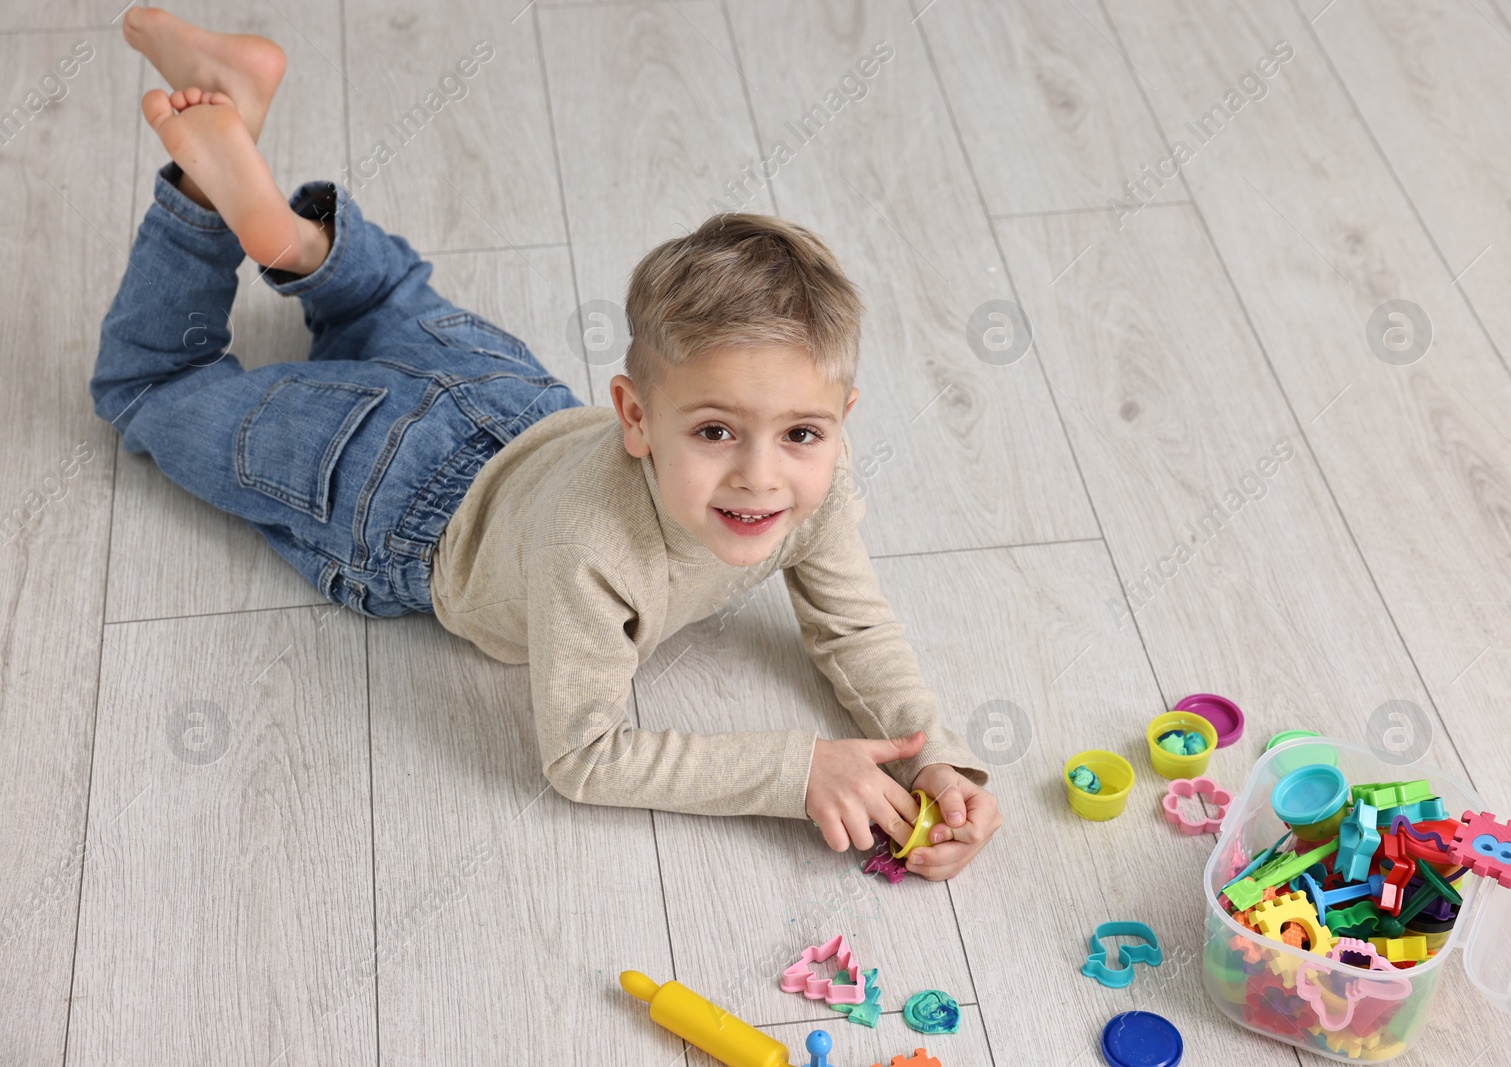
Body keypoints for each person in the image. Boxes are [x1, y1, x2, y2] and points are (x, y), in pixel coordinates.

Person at [93, 8, 1001, 880]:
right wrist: (797, 770)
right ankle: (205, 195)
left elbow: (855, 623)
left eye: (802, 432)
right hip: (390, 489)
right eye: (716, 430)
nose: (762, 477)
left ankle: (289, 227)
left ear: (841, 416)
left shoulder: (821, 484)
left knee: (386, 303)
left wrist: (938, 761)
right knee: (151, 389)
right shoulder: (592, 548)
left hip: (511, 394)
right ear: (635, 416)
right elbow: (584, 755)